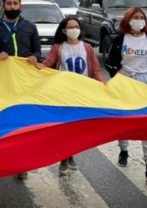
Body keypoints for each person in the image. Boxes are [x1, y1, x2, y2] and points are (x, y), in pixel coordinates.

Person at [104, 7, 147, 183]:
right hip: (125, 81)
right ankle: (124, 149)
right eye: (135, 17)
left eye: (142, 17)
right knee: (125, 118)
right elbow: (110, 61)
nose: (139, 20)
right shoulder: (119, 39)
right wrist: (116, 75)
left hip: (146, 82)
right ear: (128, 20)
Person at [0, 0, 42, 182]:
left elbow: (37, 51)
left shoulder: (30, 27)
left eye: (14, 3)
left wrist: (35, 57)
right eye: (8, 4)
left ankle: (21, 165)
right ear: (4, 6)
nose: (12, 6)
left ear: (20, 6)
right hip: (0, 83)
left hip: (24, 83)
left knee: (21, 125)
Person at [41, 16, 104, 176]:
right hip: (63, 94)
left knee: (76, 128)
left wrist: (103, 85)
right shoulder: (58, 47)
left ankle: (69, 154)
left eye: (76, 27)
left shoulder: (87, 48)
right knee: (65, 127)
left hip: (81, 94)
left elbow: (96, 70)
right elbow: (48, 65)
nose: (74, 29)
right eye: (70, 27)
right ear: (64, 30)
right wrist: (36, 66)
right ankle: (65, 156)